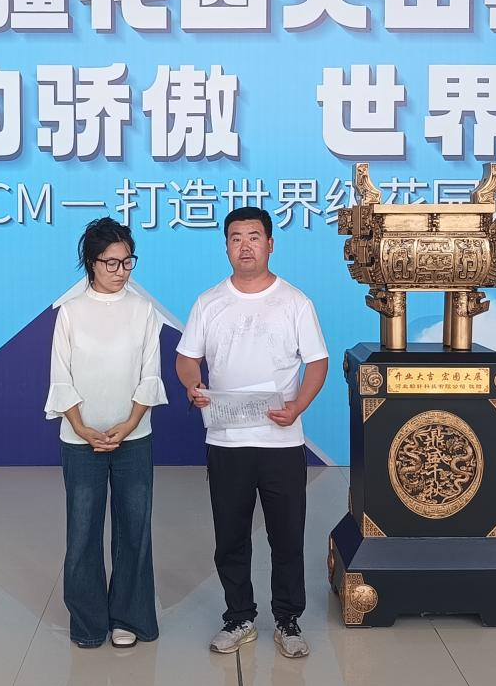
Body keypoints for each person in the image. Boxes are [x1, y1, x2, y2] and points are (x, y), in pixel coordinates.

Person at [175, 206, 328, 659]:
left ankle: (288, 620)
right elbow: (187, 358)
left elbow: (317, 361)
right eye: (236, 238)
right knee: (231, 536)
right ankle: (238, 617)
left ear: (270, 244)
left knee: (287, 536)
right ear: (226, 246)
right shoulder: (209, 302)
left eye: (254, 237)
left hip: (281, 441)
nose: (245, 246)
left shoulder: (295, 302)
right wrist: (192, 386)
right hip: (227, 440)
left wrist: (297, 406)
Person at [45, 217, 167, 649]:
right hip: (80, 441)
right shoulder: (71, 313)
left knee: (134, 529)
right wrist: (81, 427)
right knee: (82, 531)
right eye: (111, 263)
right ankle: (88, 622)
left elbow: (150, 374)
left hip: (134, 438)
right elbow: (61, 377)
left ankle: (129, 618)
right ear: (91, 263)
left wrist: (130, 424)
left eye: (127, 261)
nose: (121, 271)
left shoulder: (143, 310)